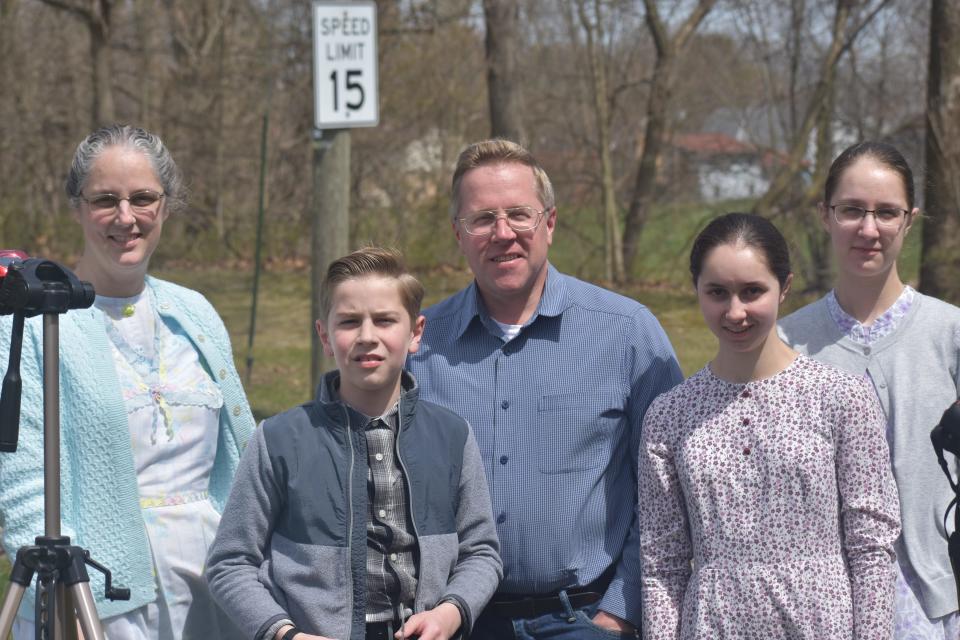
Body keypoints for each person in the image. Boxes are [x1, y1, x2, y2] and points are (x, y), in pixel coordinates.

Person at [407, 139, 683, 639]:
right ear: (457, 234)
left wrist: (618, 614)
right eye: (482, 219)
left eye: (519, 214)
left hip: (582, 617)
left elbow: (668, 490)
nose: (503, 233)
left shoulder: (626, 333)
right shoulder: (421, 346)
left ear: (550, 223)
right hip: (454, 622)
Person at [0, 124, 255, 638]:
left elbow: (244, 455)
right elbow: (18, 482)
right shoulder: (29, 325)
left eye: (143, 198)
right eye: (104, 199)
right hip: (98, 595)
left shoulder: (195, 311)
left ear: (166, 204)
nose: (125, 217)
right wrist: (61, 589)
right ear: (76, 206)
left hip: (216, 585)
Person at [205, 247, 502, 640]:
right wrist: (285, 634)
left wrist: (450, 612)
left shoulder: (453, 436)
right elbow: (230, 563)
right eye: (349, 322)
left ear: (415, 333)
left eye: (384, 320)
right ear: (325, 337)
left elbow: (482, 552)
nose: (367, 336)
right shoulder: (277, 440)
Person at [638, 212, 900, 639]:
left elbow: (871, 548)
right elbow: (662, 564)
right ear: (697, 292)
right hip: (712, 626)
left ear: (786, 287)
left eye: (752, 291)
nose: (735, 311)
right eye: (718, 293)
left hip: (819, 624)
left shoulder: (841, 397)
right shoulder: (670, 415)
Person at [779, 141, 960, 638]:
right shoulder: (784, 344)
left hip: (935, 603)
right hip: (818, 609)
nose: (868, 228)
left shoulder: (951, 335)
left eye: (886, 212)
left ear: (910, 219)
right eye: (851, 210)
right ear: (824, 215)